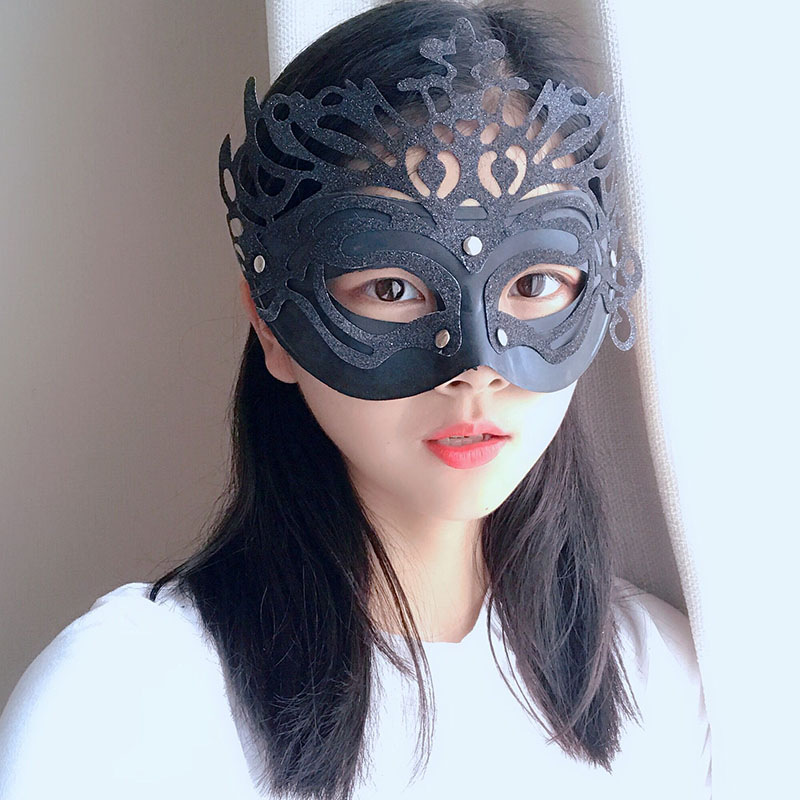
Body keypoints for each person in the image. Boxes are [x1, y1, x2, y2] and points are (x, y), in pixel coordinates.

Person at [0, 1, 711, 798]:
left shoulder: (663, 682)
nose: (477, 368)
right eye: (393, 288)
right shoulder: (123, 705)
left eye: (535, 281)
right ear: (272, 326)